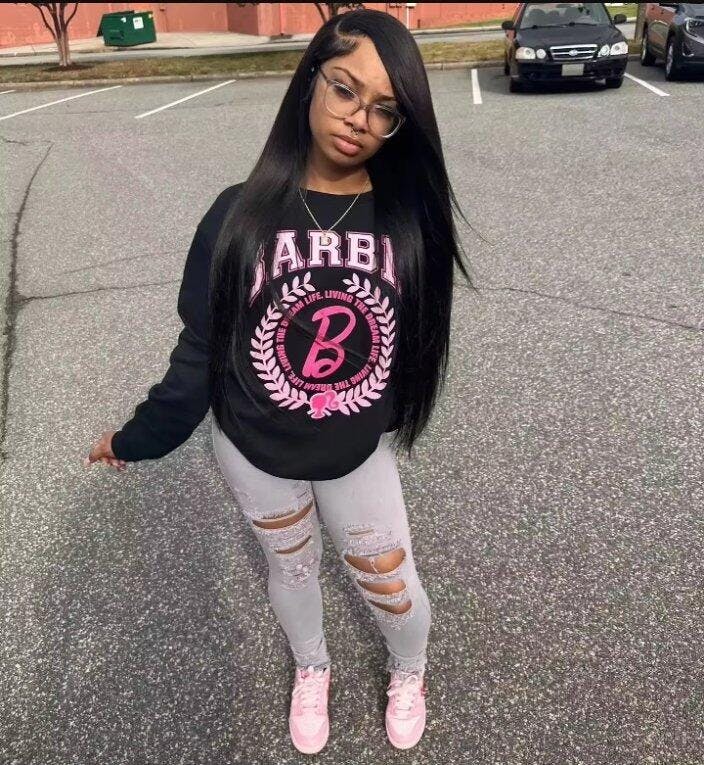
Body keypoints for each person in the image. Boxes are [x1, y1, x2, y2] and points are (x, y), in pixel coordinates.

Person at [85, 7, 475, 755]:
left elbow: (415, 348)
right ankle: (312, 665)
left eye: (385, 109)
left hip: (355, 453)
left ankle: (409, 669)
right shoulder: (235, 215)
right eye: (345, 88)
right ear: (310, 81)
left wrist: (367, 418)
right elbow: (198, 357)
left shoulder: (407, 222)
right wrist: (134, 439)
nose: (358, 118)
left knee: (393, 586)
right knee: (290, 571)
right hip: (253, 452)